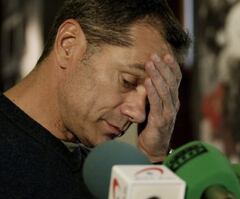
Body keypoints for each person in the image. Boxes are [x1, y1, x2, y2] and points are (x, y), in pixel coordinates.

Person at [0, 0, 191, 198]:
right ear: (69, 44)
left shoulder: (102, 177)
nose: (139, 114)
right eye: (128, 81)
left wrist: (152, 160)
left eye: (150, 98)